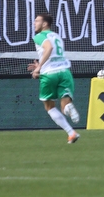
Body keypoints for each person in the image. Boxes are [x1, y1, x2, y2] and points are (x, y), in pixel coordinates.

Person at [27, 13, 81, 143]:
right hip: (64, 72)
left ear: (45, 24)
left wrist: (39, 67)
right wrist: (40, 63)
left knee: (49, 106)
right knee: (64, 107)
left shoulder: (39, 36)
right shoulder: (56, 36)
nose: (34, 23)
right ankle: (71, 127)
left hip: (50, 74)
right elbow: (53, 52)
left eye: (37, 21)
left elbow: (49, 48)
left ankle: (70, 132)